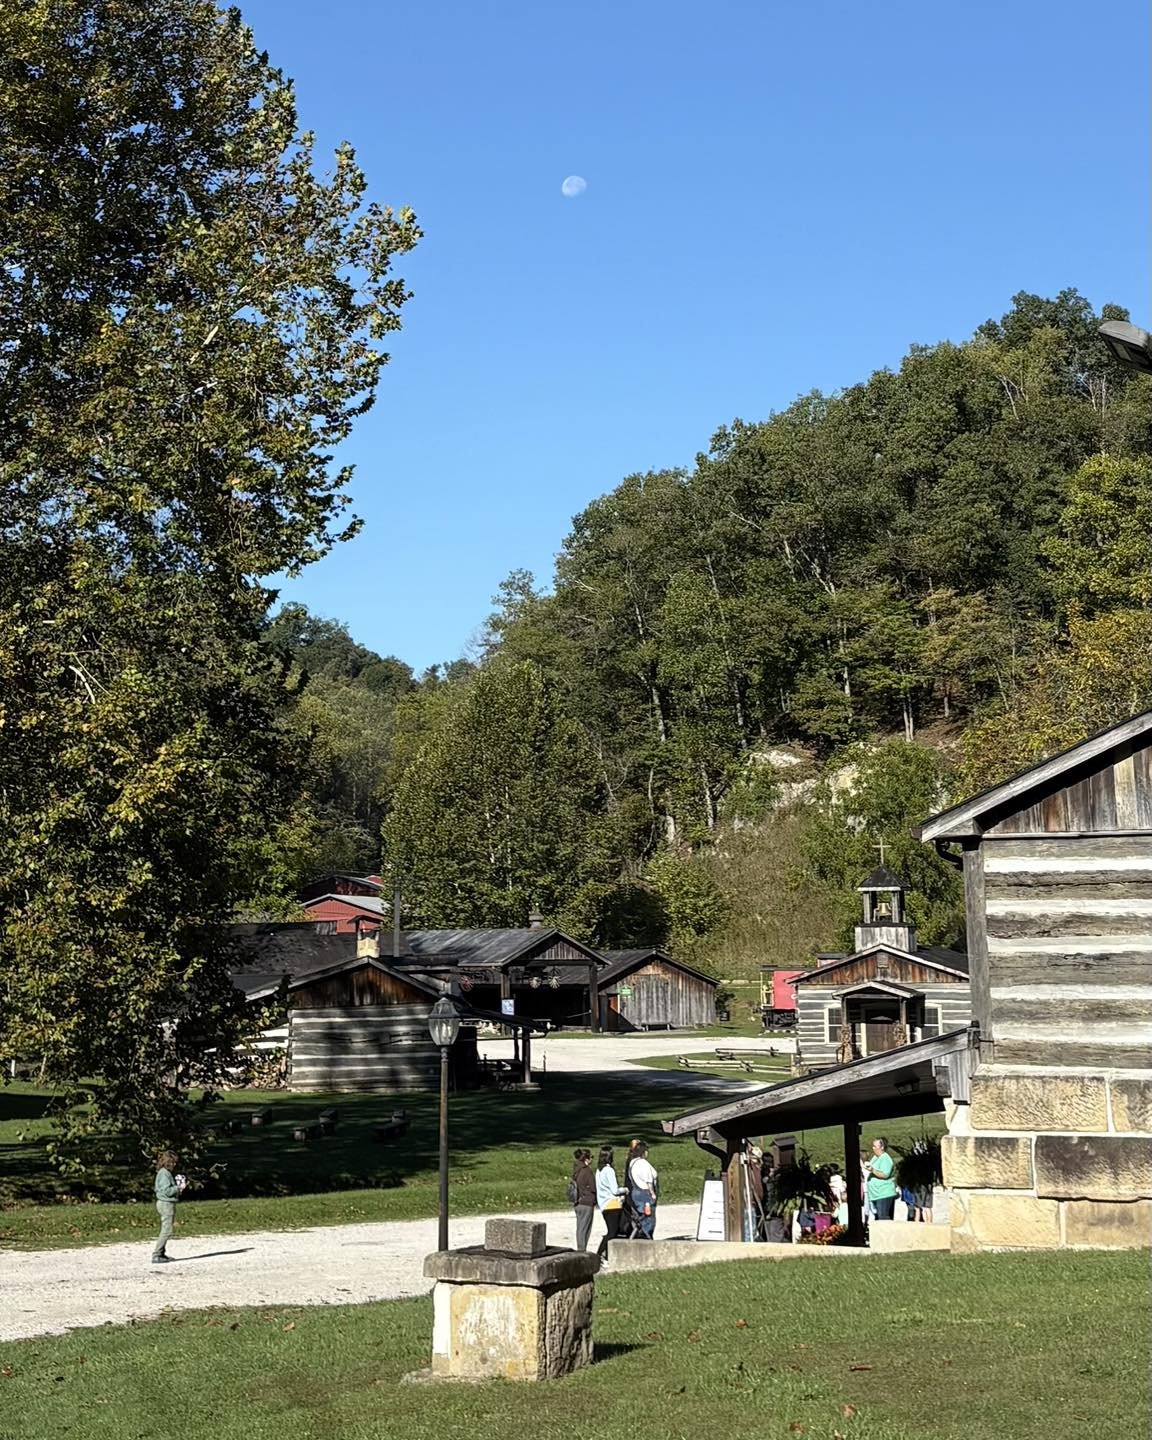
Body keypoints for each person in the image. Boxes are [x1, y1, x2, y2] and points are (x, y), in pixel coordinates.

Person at [152, 1150, 186, 1264]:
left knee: (166, 1229)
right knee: (167, 1230)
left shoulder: (164, 1173)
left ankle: (161, 1253)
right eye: (173, 1162)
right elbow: (166, 1191)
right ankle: (156, 1254)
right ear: (168, 1162)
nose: (175, 1165)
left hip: (166, 1203)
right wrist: (178, 1187)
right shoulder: (164, 1174)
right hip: (166, 1204)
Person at [594, 1145, 626, 1264]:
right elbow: (614, 1190)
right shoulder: (609, 1170)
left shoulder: (598, 1170)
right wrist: (624, 1190)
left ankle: (605, 1254)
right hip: (612, 1204)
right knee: (612, 1232)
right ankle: (600, 1255)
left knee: (612, 1231)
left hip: (603, 1204)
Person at [628, 1140, 658, 1239]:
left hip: (636, 1191)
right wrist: (652, 1193)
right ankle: (646, 1238)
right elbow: (648, 1179)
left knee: (641, 1217)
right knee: (648, 1219)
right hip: (645, 1193)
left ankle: (641, 1236)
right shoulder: (643, 1163)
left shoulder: (632, 1162)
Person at [865, 1137, 898, 1221]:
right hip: (876, 1194)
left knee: (883, 1217)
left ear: (882, 1147)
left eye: (875, 1146)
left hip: (884, 1193)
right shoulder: (876, 1157)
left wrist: (872, 1170)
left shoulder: (886, 1159)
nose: (873, 1148)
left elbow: (884, 1174)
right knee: (878, 1217)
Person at [571, 1147, 596, 1250]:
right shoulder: (587, 1171)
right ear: (586, 1159)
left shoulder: (576, 1170)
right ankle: (582, 1249)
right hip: (587, 1202)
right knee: (585, 1228)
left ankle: (580, 1247)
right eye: (591, 1157)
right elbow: (593, 1187)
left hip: (578, 1201)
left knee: (580, 1227)